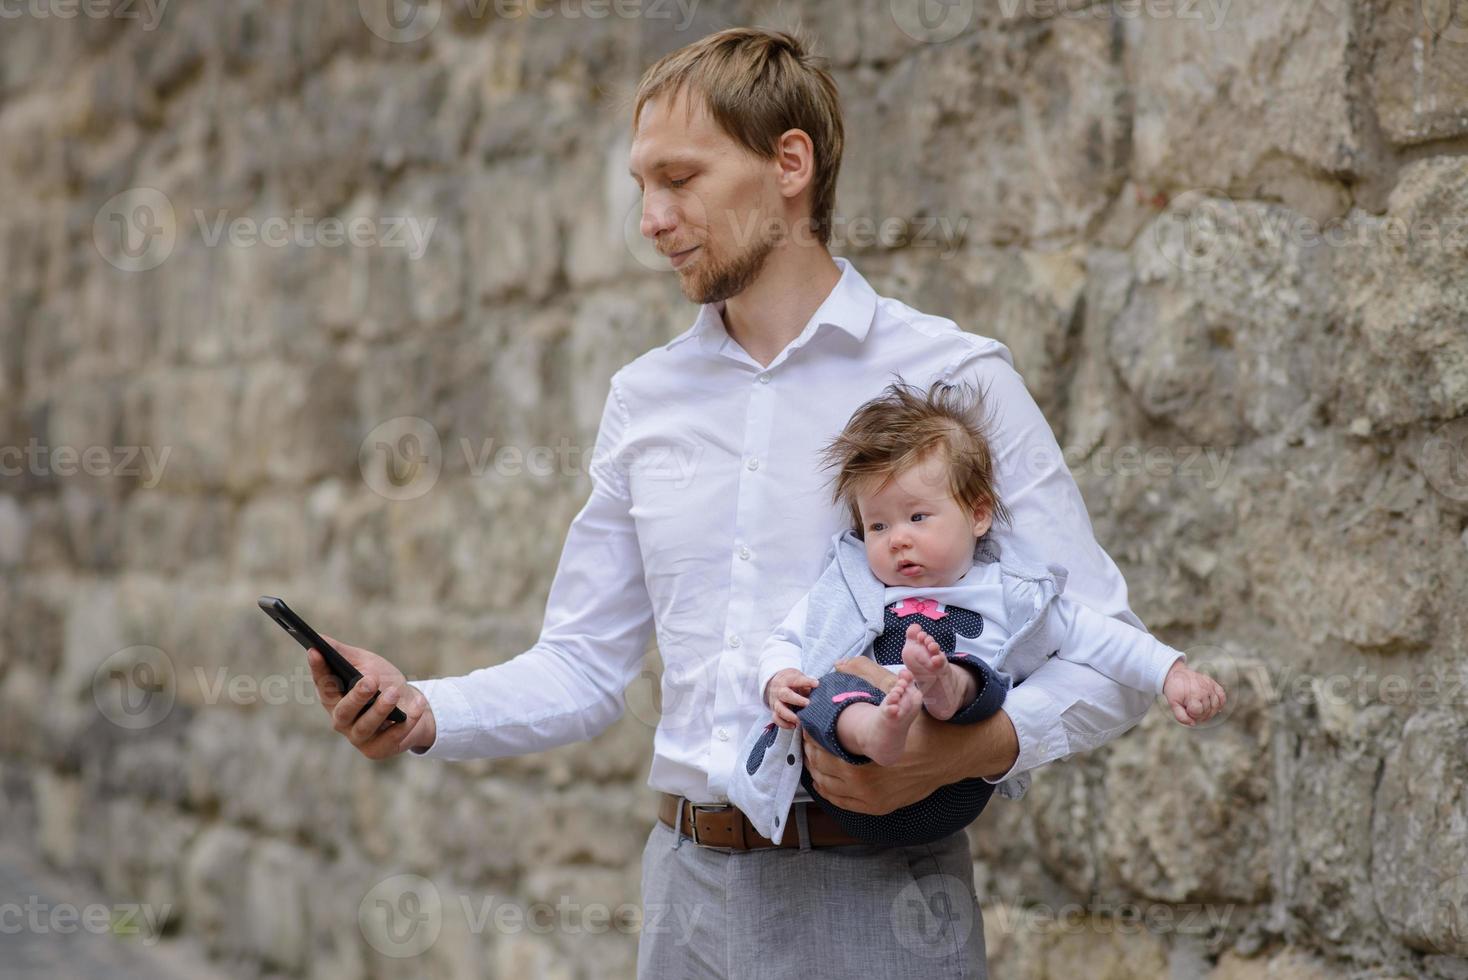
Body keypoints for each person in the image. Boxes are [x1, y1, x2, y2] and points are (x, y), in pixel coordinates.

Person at [306, 26, 1183, 978]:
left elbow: (1109, 651)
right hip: (682, 900)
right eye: (641, 184)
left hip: (883, 901)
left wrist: (971, 750)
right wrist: (421, 707)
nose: (649, 217)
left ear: (789, 164)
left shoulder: (955, 377)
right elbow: (581, 665)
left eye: (679, 179)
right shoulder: (644, 399)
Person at [730, 379, 1225, 848]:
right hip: (846, 781)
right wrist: (778, 679)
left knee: (981, 680)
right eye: (877, 525)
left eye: (918, 516)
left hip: (949, 785)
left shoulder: (1011, 594)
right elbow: (788, 637)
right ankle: (880, 728)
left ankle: (943, 686)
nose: (897, 538)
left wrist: (1171, 672)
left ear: (978, 514)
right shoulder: (852, 587)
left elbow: (1102, 637)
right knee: (830, 690)